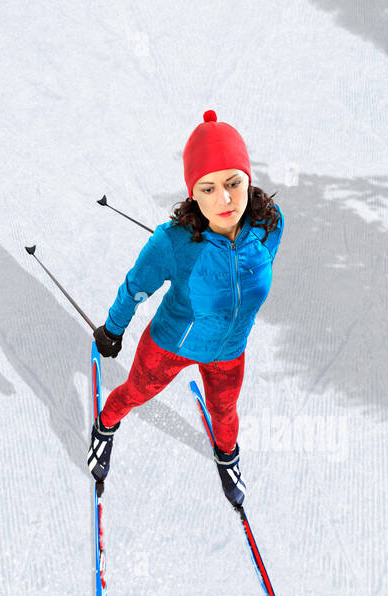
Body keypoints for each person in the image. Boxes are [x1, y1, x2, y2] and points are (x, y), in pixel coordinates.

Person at [86, 109, 283, 507]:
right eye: (207, 188)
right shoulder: (172, 243)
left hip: (229, 350)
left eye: (233, 182)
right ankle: (105, 426)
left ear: (249, 179)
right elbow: (135, 288)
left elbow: (253, 277)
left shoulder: (270, 225)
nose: (224, 199)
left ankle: (227, 457)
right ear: (193, 192)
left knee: (225, 414)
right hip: (172, 344)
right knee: (135, 392)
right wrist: (113, 329)